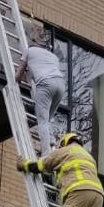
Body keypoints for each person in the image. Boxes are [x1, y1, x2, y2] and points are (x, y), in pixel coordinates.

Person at [15, 27, 66, 155]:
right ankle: (52, 141)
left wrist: (17, 79)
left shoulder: (29, 51)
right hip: (60, 85)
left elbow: (19, 72)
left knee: (42, 121)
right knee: (48, 119)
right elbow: (43, 69)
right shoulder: (53, 57)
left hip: (45, 84)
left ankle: (46, 153)